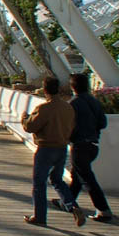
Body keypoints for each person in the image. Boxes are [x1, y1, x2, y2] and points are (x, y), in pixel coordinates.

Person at [21, 76, 85, 227]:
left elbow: (30, 126)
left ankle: (40, 216)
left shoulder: (44, 108)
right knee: (57, 180)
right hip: (61, 148)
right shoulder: (68, 108)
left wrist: (24, 118)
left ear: (45, 90)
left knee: (39, 183)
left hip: (46, 149)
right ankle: (72, 206)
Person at [55, 73, 113, 222]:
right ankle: (66, 202)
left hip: (80, 146)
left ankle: (103, 209)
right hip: (93, 145)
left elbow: (68, 125)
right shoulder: (95, 102)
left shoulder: (73, 104)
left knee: (87, 179)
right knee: (77, 175)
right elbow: (103, 123)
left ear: (73, 87)